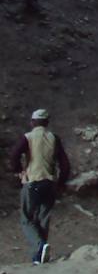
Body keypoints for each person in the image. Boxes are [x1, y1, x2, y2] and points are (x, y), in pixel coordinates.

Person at [8, 108, 70, 263]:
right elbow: (65, 164)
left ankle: (39, 246)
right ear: (47, 122)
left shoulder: (28, 137)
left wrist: (18, 171)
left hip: (32, 181)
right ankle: (39, 256)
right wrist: (61, 182)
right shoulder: (54, 138)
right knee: (43, 218)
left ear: (33, 122)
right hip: (49, 183)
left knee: (27, 218)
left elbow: (14, 155)